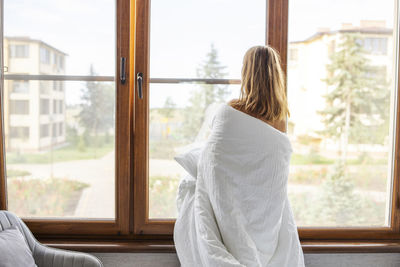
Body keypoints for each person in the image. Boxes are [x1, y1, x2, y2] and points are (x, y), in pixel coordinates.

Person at [174, 45, 305, 267]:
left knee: (191, 186)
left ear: (247, 73)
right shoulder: (280, 119)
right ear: (276, 75)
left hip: (232, 208)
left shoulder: (230, 111)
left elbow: (211, 164)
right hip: (263, 218)